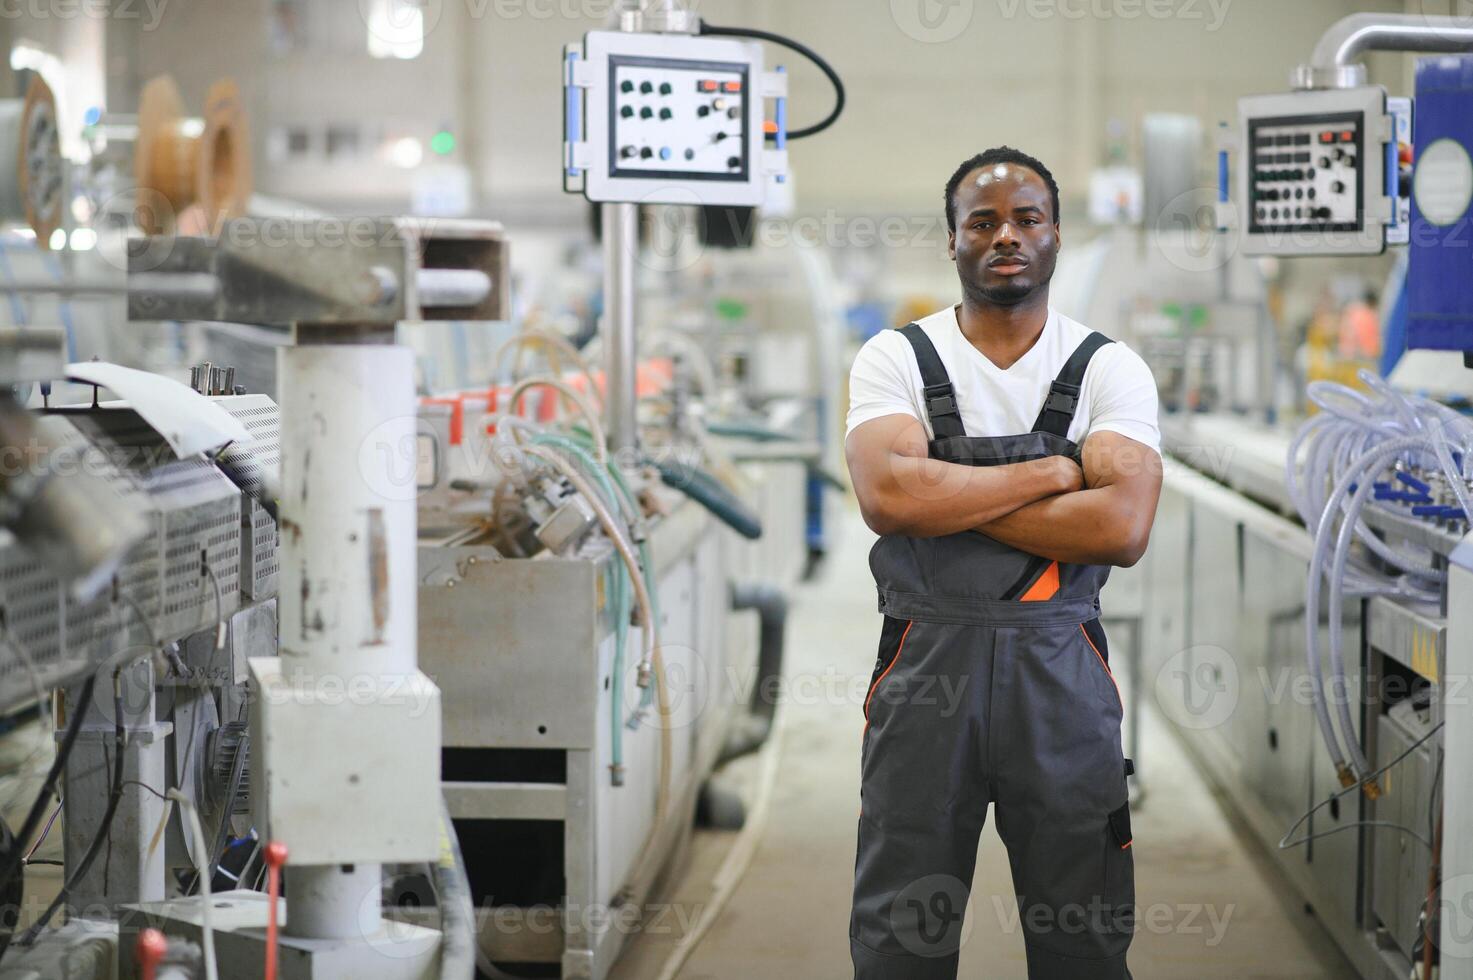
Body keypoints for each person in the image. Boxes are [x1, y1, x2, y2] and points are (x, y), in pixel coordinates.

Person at [844, 146, 1163, 980]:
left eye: (1026, 218)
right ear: (951, 241)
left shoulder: (1105, 367)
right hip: (926, 674)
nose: (1005, 235)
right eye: (981, 221)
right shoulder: (895, 358)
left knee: (1081, 932)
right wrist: (1056, 474)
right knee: (899, 936)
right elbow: (886, 497)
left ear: (1053, 236)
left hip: (1058, 674)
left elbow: (1122, 526)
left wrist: (949, 495)